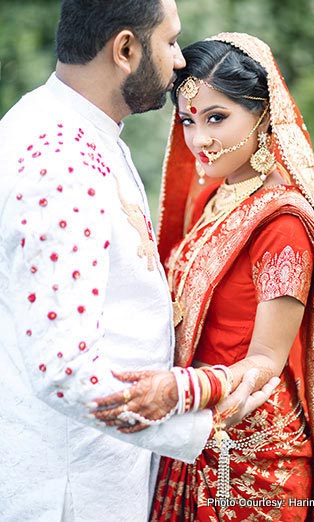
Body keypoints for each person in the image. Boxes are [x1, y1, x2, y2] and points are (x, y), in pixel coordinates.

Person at [92, 33, 314, 521]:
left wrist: (181, 390)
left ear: (262, 113)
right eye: (188, 120)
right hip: (197, 438)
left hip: (253, 468)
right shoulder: (220, 200)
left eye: (217, 118)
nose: (200, 139)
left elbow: (264, 361)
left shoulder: (283, 225)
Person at [0, 3, 276, 520]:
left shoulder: (79, 129)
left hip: (99, 471)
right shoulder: (59, 159)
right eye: (169, 42)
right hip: (71, 492)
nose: (178, 62)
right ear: (126, 49)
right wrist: (203, 423)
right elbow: (64, 370)